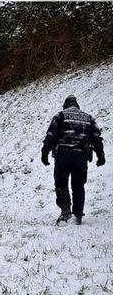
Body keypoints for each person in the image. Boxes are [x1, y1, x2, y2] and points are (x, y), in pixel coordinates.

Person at [41, 95, 105, 225]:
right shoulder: (89, 118)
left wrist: (45, 153)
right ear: (77, 105)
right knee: (78, 185)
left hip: (63, 154)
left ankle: (66, 212)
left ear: (65, 105)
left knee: (61, 183)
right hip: (81, 156)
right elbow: (97, 138)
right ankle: (78, 215)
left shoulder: (60, 116)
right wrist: (100, 155)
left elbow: (50, 135)